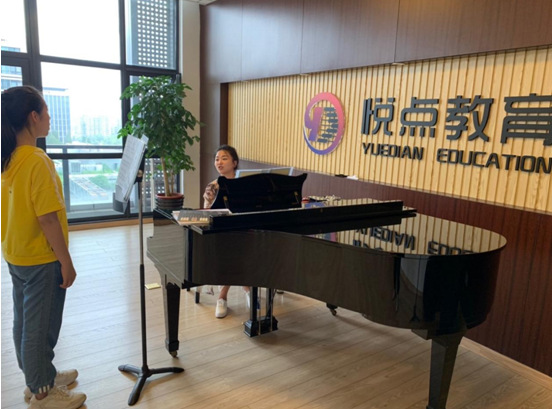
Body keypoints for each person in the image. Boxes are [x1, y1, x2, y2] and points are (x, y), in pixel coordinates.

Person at [1, 86, 87, 409]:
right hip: (40, 257)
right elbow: (48, 218)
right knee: (40, 328)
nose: (50, 118)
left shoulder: (8, 159)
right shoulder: (37, 161)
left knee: (24, 321)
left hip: (16, 253)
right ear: (33, 117)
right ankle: (42, 392)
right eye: (46, 112)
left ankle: (38, 376)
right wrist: (66, 261)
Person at [202, 144, 251, 318]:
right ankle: (223, 296)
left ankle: (246, 286)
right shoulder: (212, 187)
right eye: (217, 159)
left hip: (241, 228)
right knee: (231, 248)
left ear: (234, 163)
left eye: (224, 158)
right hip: (220, 232)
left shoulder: (245, 184)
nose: (219, 162)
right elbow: (206, 214)